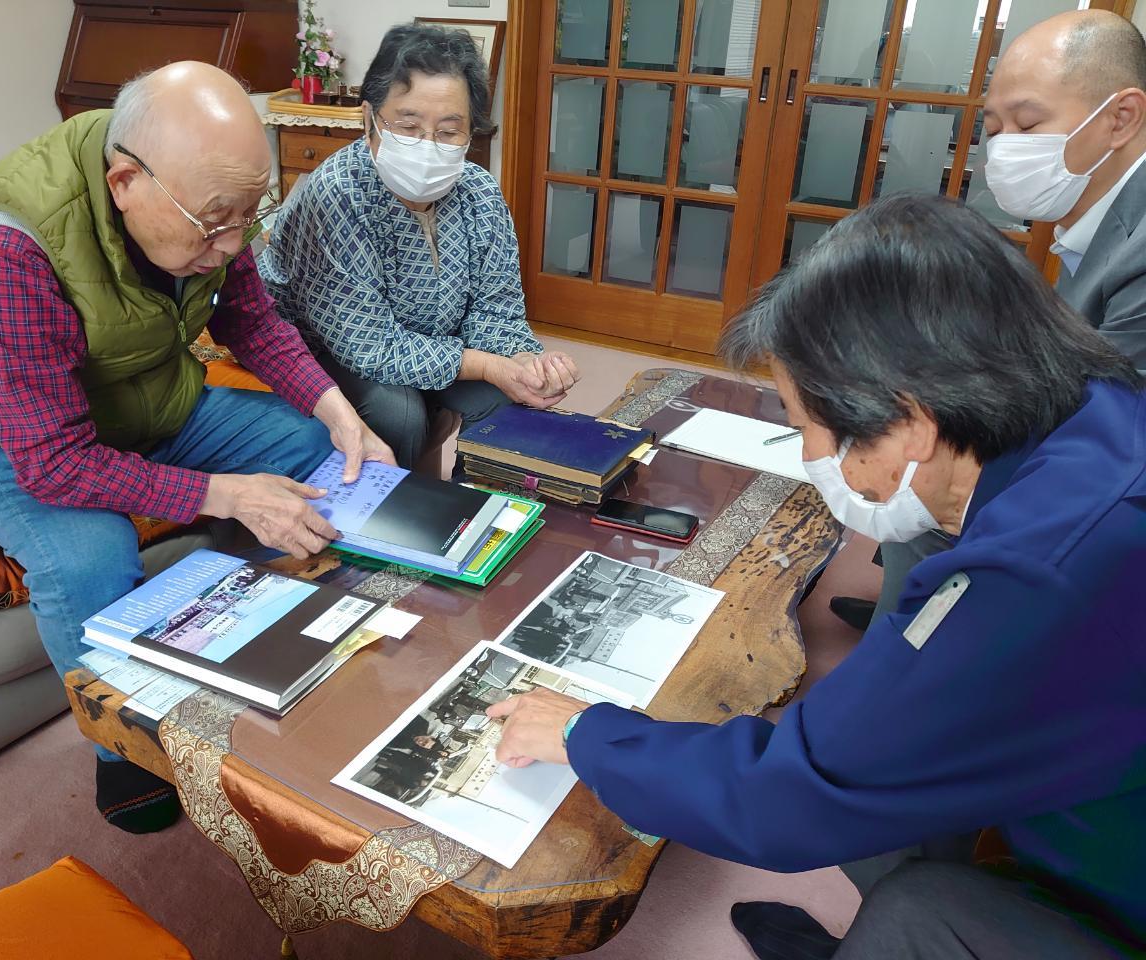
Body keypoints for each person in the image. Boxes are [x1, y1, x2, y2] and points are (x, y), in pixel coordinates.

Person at [487, 195, 1146, 959]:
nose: (809, 457)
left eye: (807, 426)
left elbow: (795, 792)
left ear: (910, 423)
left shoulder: (1034, 577)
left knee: (916, 905)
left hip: (1112, 899)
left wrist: (586, 733)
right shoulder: (1099, 406)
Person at [0, 62, 393, 834]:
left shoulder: (205, 200)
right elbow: (54, 461)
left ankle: (277, 634)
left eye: (248, 216)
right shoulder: (8, 244)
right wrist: (229, 495)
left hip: (148, 401)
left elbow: (253, 321)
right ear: (125, 183)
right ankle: (126, 750)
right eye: (217, 224)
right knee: (89, 554)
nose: (234, 242)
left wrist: (335, 409)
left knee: (304, 442)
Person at [830, 8, 1146, 632]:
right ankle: (913, 600)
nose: (1005, 147)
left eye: (1028, 123)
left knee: (926, 475)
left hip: (1114, 479)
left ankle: (910, 654)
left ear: (1120, 117)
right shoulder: (1105, 210)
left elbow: (1108, 429)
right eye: (994, 126)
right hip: (1099, 434)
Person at [259, 23, 580, 469]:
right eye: (408, 126)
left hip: (435, 345)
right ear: (369, 117)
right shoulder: (337, 194)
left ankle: (478, 517)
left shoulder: (479, 193)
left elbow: (497, 311)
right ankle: (390, 524)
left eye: (449, 132)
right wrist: (487, 365)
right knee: (399, 413)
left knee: (509, 398)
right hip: (327, 350)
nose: (428, 146)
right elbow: (368, 348)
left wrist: (527, 361)